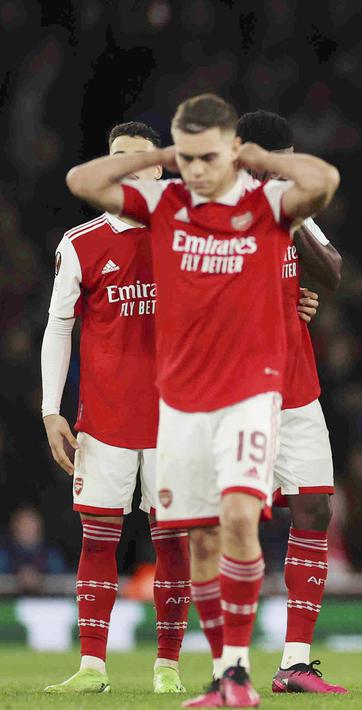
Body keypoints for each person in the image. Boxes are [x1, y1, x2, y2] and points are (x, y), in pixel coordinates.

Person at [65, 93, 339, 708]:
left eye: (205, 156)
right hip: (180, 403)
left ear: (231, 151)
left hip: (249, 392)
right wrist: (162, 155)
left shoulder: (265, 202)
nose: (193, 169)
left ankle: (242, 675)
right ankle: (228, 674)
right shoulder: (167, 201)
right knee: (203, 542)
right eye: (184, 157)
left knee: (241, 518)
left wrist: (262, 157)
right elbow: (82, 180)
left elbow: (324, 179)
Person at [41, 121, 192, 695]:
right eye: (115, 157)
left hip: (176, 419)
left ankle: (168, 667)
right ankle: (92, 667)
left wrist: (289, 302)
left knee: (172, 542)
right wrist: (50, 410)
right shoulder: (81, 243)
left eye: (138, 157)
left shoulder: (186, 233)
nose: (126, 166)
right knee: (97, 537)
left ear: (159, 168)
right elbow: (58, 327)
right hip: (103, 420)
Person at [234, 109, 347, 695]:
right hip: (236, 392)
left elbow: (331, 274)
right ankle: (224, 660)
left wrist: (293, 216)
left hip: (297, 388)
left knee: (315, 511)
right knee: (229, 521)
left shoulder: (294, 212)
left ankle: (295, 662)